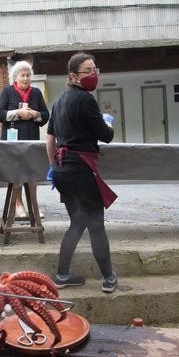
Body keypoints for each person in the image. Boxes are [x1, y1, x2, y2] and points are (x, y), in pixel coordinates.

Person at [45, 52, 118, 293]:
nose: (94, 74)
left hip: (62, 169)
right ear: (73, 76)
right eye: (89, 70)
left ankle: (62, 275)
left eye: (96, 69)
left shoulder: (58, 101)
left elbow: (50, 139)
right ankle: (108, 279)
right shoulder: (85, 100)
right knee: (96, 224)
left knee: (77, 222)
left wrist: (54, 167)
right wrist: (107, 123)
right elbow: (106, 136)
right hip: (80, 169)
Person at [0, 60, 50, 219]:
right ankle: (19, 205)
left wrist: (34, 114)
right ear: (15, 77)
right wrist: (18, 113)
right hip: (12, 141)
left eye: (28, 75)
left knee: (31, 173)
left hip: (31, 139)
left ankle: (33, 205)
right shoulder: (7, 92)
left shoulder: (36, 93)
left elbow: (45, 116)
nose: (25, 78)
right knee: (16, 173)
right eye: (22, 75)